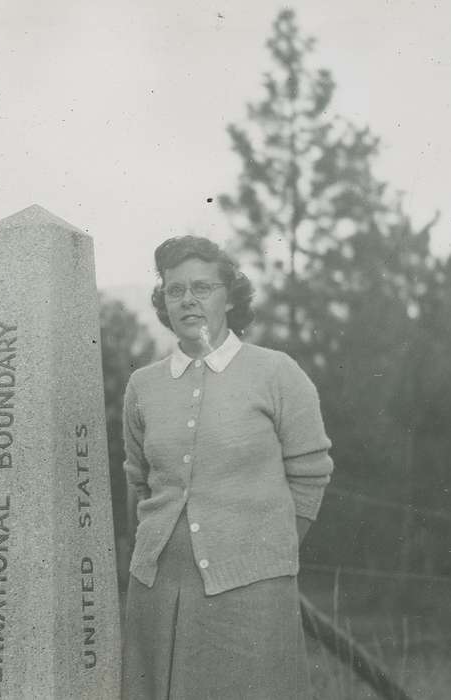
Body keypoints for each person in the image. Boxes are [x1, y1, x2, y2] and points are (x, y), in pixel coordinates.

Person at [121, 235, 334, 699]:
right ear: (162, 300)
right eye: (175, 290)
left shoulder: (277, 373)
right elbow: (139, 479)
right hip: (157, 590)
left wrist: (264, 552)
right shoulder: (144, 385)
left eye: (203, 287)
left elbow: (311, 473)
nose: (188, 300)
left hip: (251, 593)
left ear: (230, 295)